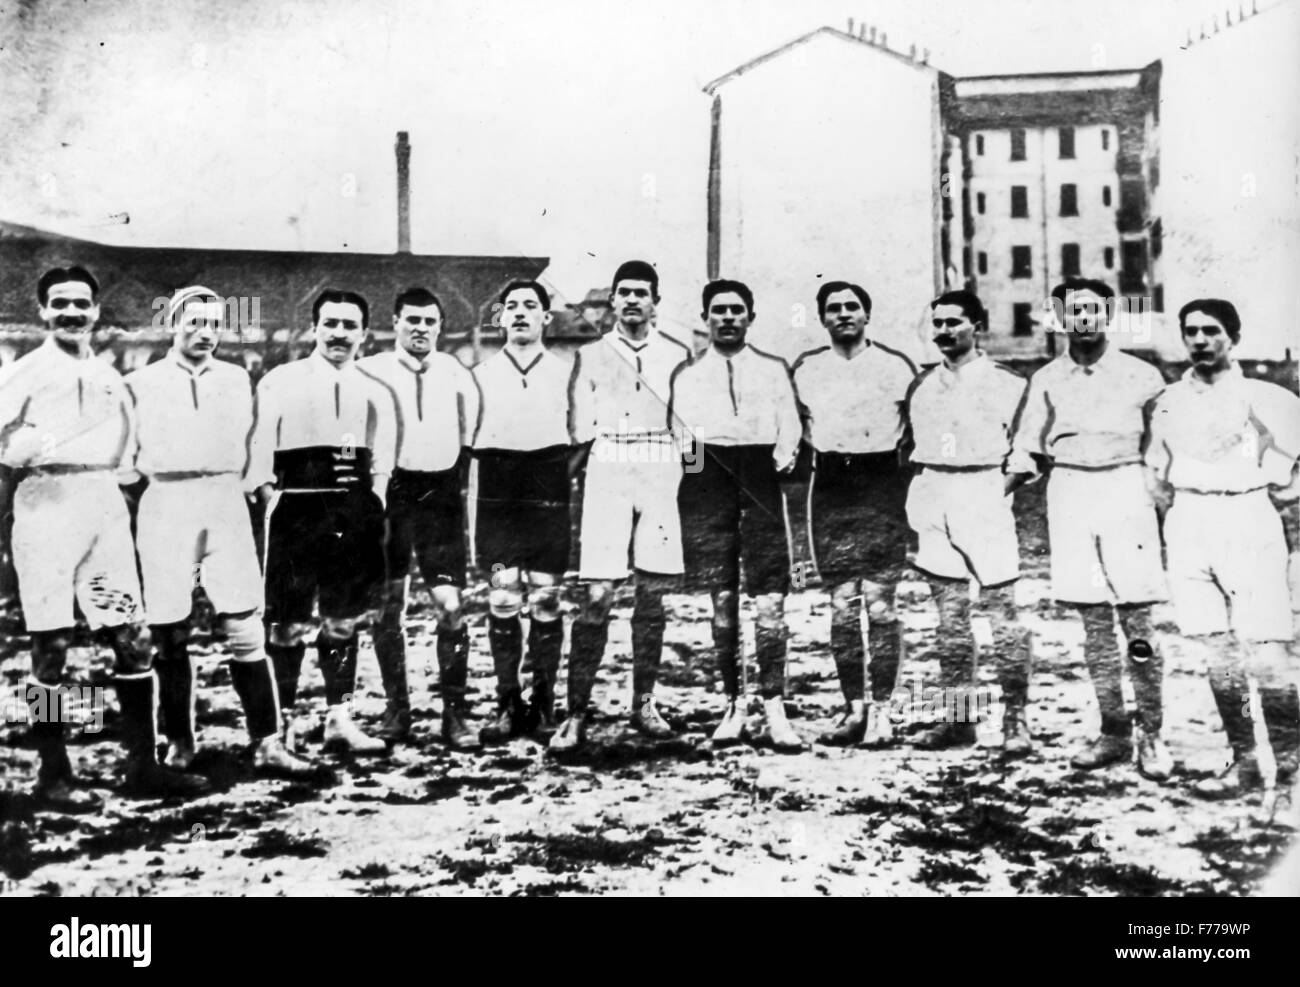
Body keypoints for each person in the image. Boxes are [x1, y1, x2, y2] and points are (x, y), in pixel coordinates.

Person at [0, 266, 208, 809]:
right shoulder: (23, 372)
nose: (72, 312)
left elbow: (129, 450)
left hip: (103, 509)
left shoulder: (112, 375)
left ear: (96, 311)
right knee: (52, 648)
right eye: (60, 304)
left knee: (133, 638)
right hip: (45, 506)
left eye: (81, 304)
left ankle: (142, 766)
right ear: (42, 311)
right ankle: (54, 771)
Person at [123, 286, 316, 778]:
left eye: (214, 324)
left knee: (245, 624)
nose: (204, 333)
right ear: (171, 323)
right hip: (166, 500)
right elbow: (125, 460)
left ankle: (266, 741)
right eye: (193, 322)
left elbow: (253, 442)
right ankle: (179, 742)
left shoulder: (235, 379)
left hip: (225, 501)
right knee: (169, 630)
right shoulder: (140, 383)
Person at [1008, 277, 1172, 780]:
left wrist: (1162, 494)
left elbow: (1163, 445)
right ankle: (1113, 730)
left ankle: (1152, 733)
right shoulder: (1046, 379)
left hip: (1126, 490)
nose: (1082, 318)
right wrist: (996, 494)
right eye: (1071, 310)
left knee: (1138, 621)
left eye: (1091, 309)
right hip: (1072, 491)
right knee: (1095, 623)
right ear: (1059, 317)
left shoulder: (1142, 376)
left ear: (1108, 314)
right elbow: (1028, 447)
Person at [1146, 299, 1300, 798]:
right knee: (1217, 653)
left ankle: (1293, 765)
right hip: (1189, 521)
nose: (1199, 341)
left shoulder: (1269, 397)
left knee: (1267, 651)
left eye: (1211, 331)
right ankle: (1247, 762)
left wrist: (1273, 490)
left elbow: (1293, 464)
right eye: (1190, 331)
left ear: (1233, 337)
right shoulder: (1167, 400)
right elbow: (1155, 469)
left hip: (1247, 517)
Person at [246, 289, 396, 756]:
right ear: (314, 328)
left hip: (351, 514)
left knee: (342, 622)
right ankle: (284, 723)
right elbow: (257, 451)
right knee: (286, 626)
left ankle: (338, 718)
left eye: (350, 325)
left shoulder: (374, 389)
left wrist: (373, 501)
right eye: (330, 323)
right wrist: (271, 496)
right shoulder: (280, 380)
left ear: (365, 334)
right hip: (296, 512)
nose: (339, 333)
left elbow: (383, 455)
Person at [550, 261, 692, 752]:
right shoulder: (590, 354)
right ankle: (575, 713)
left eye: (642, 293)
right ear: (612, 300)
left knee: (651, 593)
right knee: (597, 595)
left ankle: (644, 702)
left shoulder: (677, 353)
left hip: (660, 463)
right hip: (609, 461)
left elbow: (687, 420)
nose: (632, 301)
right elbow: (578, 424)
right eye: (624, 292)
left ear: (656, 302)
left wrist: (688, 481)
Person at [668, 279, 804, 751]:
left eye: (736, 310)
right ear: (706, 318)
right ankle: (733, 703)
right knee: (722, 601)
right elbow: (681, 438)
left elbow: (790, 426)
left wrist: (776, 463)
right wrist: (701, 478)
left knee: (769, 602)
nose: (727, 318)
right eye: (718, 311)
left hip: (759, 478)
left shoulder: (772, 369)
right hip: (709, 483)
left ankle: (774, 707)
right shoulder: (687, 374)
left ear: (751, 316)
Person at [902, 290, 1033, 754]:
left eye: (954, 322)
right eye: (937, 323)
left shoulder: (1008, 382)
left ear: (977, 326)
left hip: (983, 492)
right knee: (950, 618)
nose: (944, 331)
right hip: (935, 492)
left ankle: (1016, 722)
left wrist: (993, 495)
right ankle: (960, 720)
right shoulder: (921, 384)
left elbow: (1028, 451)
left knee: (1002, 613)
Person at [792, 281, 916, 747]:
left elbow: (916, 429)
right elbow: (795, 427)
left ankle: (883, 711)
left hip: (881, 484)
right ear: (822, 318)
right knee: (843, 606)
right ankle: (853, 709)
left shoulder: (895, 367)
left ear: (867, 314)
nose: (843, 314)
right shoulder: (807, 369)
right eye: (833, 308)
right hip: (831, 487)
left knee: (881, 605)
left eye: (852, 306)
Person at [357, 287, 480, 749]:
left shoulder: (454, 371)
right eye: (412, 320)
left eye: (430, 321)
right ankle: (397, 709)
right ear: (395, 322)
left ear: (440, 326)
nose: (421, 329)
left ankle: (455, 712)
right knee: (388, 605)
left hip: (439, 496)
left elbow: (471, 431)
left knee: (450, 605)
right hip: (391, 494)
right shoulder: (370, 372)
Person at [472, 279, 576, 743]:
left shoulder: (566, 372)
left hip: (547, 488)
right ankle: (507, 703)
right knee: (501, 594)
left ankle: (544, 703)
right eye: (510, 306)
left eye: (530, 306)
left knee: (546, 597)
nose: (519, 313)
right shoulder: (479, 374)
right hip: (498, 491)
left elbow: (583, 436)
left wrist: (557, 477)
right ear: (500, 316)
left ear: (545, 317)